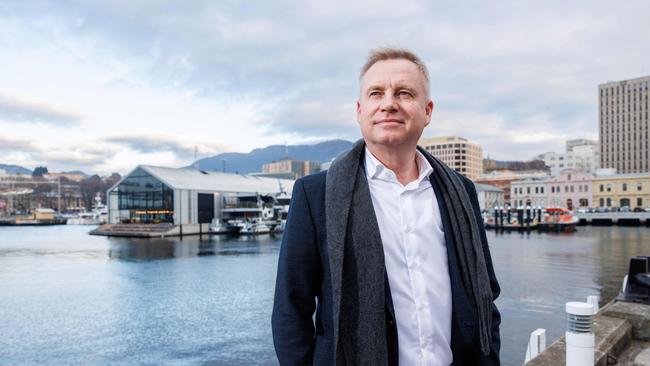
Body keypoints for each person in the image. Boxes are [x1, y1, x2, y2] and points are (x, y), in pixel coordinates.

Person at [272, 47, 501, 366]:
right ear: (360, 110)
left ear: (427, 111)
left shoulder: (461, 191)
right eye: (376, 93)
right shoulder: (315, 194)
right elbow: (290, 308)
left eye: (404, 93)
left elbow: (485, 294)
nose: (389, 103)